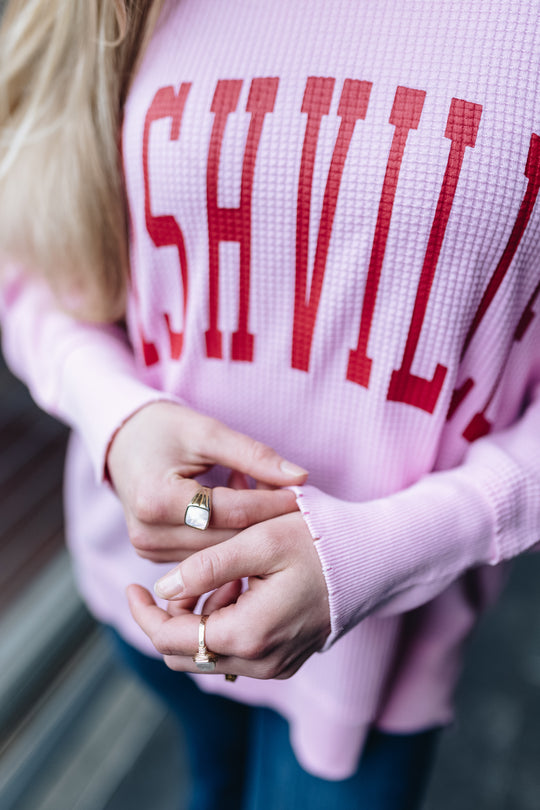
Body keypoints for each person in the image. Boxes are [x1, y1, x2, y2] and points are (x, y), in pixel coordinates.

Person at [1, 0, 540, 807]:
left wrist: (386, 549)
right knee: (208, 784)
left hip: (376, 654)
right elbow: (30, 259)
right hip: (143, 590)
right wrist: (118, 417)